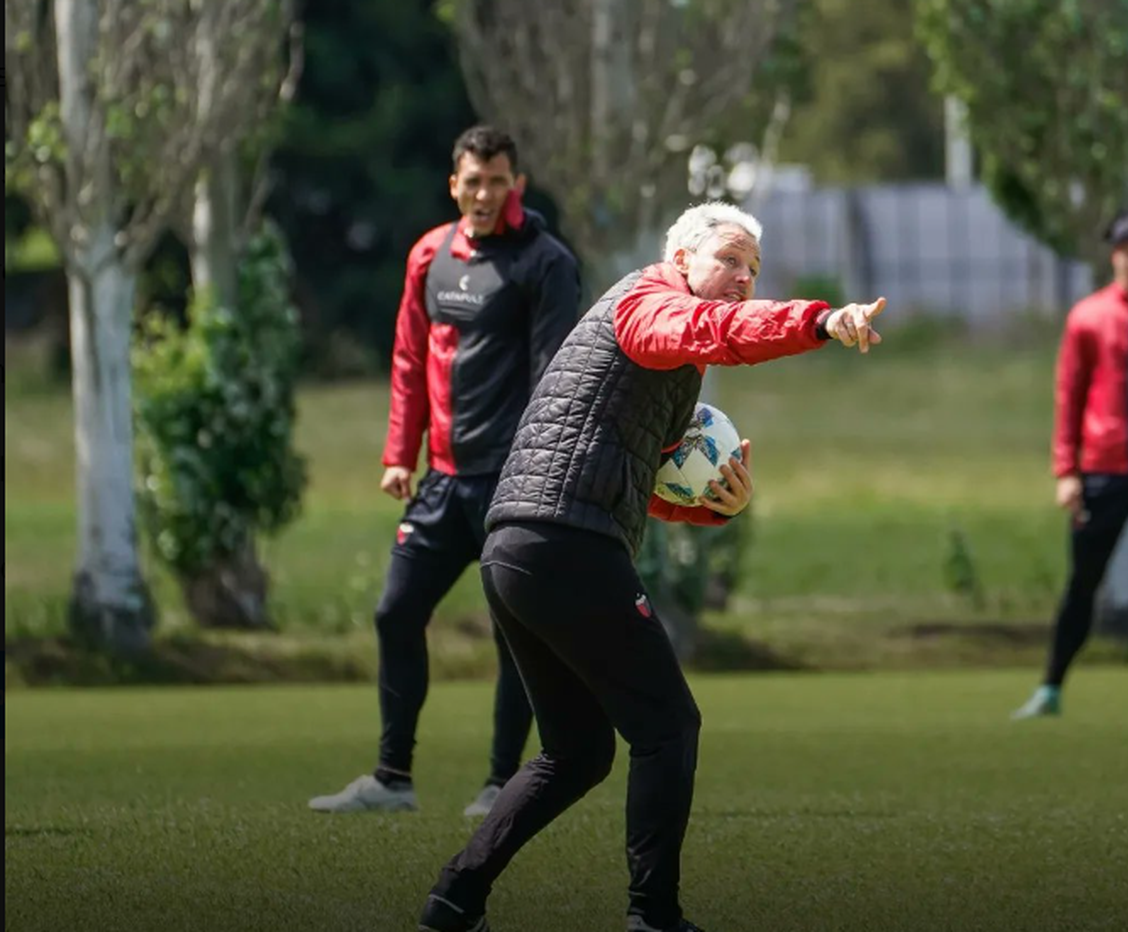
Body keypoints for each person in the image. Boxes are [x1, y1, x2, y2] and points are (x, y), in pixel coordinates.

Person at [416, 201, 885, 932]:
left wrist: (717, 506)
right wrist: (819, 321)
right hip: (566, 544)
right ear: (683, 256)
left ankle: (454, 899)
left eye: (753, 270)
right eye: (728, 260)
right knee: (669, 727)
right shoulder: (647, 304)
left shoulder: (670, 350)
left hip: (520, 549)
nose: (741, 278)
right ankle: (653, 918)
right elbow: (713, 330)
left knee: (576, 753)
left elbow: (644, 483)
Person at [309, 126, 581, 815]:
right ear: (452, 183)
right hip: (440, 482)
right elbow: (407, 358)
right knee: (395, 612)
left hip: (508, 486)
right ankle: (391, 780)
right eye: (473, 181)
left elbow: (554, 377)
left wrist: (541, 473)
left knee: (514, 632)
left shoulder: (545, 263)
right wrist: (400, 454)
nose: (485, 194)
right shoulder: (429, 254)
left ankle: (499, 785)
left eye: (498, 181)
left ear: (516, 185)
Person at [1012, 209, 1128, 719]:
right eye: (1124, 250)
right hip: (1102, 472)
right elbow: (1069, 394)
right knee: (1082, 586)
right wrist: (1066, 471)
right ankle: (1050, 688)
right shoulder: (1088, 318)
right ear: (1113, 255)